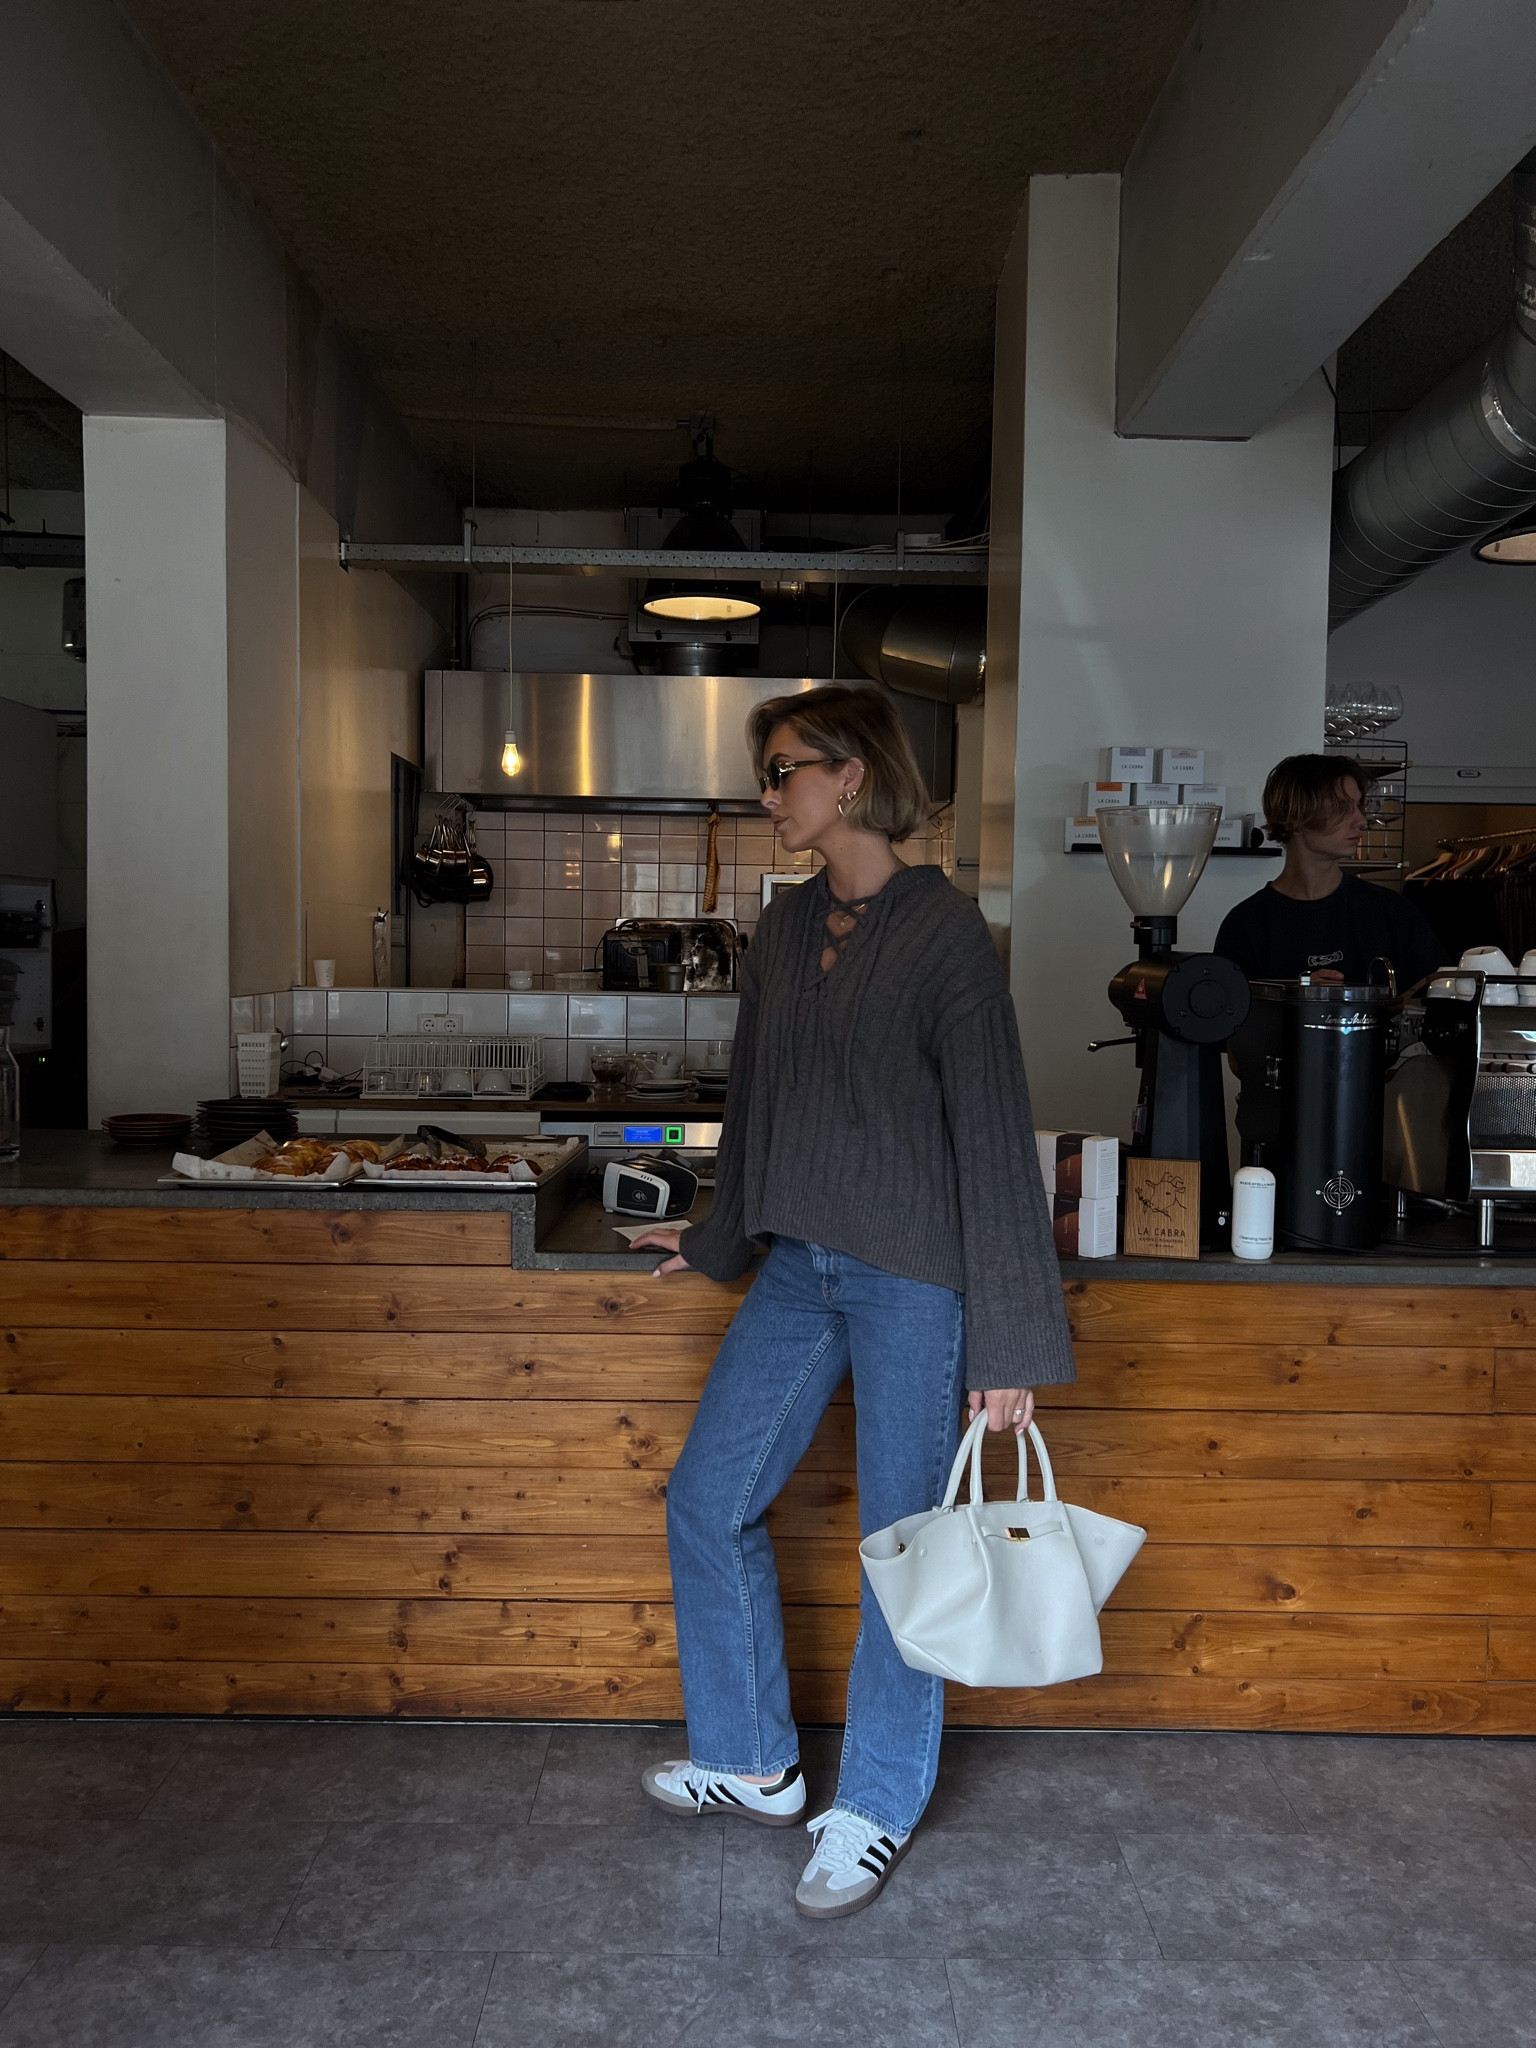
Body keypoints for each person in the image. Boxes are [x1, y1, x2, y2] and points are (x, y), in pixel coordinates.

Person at [629, 682, 1076, 1919]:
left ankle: (875, 1802)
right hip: (800, 1268)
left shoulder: (946, 937)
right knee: (707, 1496)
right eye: (767, 772)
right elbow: (757, 1107)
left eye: (783, 771)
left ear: (854, 778)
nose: (767, 793)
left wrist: (1010, 1339)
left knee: (906, 1549)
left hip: (916, 1282)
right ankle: (753, 1756)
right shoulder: (780, 932)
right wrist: (719, 1238)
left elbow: (992, 1142)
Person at [1214, 753, 1445, 989]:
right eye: (1342, 808)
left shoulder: (1393, 914)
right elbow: (1229, 1017)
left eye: (1358, 806)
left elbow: (1438, 996)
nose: (1361, 820)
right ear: (1295, 816)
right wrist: (1295, 995)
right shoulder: (1246, 925)